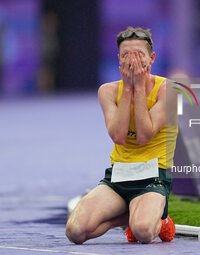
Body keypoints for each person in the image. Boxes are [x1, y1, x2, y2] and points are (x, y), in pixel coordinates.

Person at [65, 27, 178, 244]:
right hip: (118, 177)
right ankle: (133, 213)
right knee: (75, 231)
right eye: (126, 55)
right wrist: (128, 88)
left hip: (153, 177)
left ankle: (161, 220)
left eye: (138, 56)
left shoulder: (169, 90)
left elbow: (144, 135)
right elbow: (118, 136)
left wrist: (139, 88)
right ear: (118, 59)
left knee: (143, 232)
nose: (132, 61)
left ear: (151, 58)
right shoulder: (107, 91)